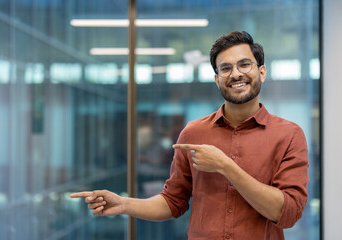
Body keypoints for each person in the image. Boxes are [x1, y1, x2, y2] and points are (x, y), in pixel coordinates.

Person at [70, 31, 309, 240]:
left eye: (244, 65)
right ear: (217, 80)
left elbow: (287, 213)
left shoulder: (289, 135)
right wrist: (124, 204)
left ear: (262, 72)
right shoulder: (194, 133)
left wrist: (226, 166)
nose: (236, 74)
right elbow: (173, 202)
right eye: (225, 68)